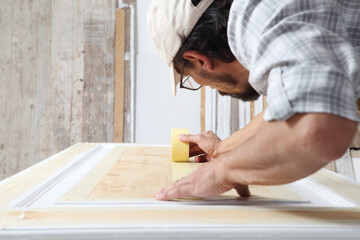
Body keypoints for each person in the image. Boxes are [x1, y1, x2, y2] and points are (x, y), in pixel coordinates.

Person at [147, 0, 360, 201]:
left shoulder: (257, 15)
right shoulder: (268, 15)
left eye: (191, 78)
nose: (209, 87)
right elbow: (295, 105)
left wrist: (221, 174)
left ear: (198, 59)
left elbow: (318, 127)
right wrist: (223, 150)